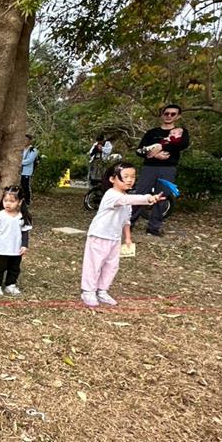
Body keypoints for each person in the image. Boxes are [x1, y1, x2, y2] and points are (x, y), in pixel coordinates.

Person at [81, 162, 164, 307]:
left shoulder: (126, 198)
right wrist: (148, 198)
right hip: (99, 235)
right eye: (125, 176)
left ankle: (102, 291)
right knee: (94, 264)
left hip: (114, 238)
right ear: (113, 179)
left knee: (112, 266)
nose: (130, 180)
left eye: (133, 176)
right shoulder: (111, 195)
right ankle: (88, 292)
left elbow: (126, 220)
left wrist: (128, 238)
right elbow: (126, 200)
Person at [131, 103, 189, 237]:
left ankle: (154, 227)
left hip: (168, 168)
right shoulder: (152, 133)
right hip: (149, 167)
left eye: (173, 114)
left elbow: (182, 145)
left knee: (162, 196)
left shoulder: (181, 132)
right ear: (162, 115)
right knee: (140, 194)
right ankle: (129, 223)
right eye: (166, 113)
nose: (169, 116)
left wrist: (163, 148)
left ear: (178, 116)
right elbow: (139, 150)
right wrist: (155, 155)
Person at [0, 185, 32, 296]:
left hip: (16, 249)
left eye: (12, 201)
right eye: (5, 200)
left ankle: (10, 285)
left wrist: (24, 245)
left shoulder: (22, 217)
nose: (8, 204)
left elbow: (25, 233)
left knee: (14, 268)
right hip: (1, 249)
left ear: (20, 202)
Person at [20, 135, 40, 206]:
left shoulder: (33, 150)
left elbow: (29, 160)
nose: (24, 141)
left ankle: (27, 201)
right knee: (20, 186)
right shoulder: (22, 149)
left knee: (25, 186)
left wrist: (19, 162)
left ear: (30, 141)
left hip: (26, 172)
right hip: (20, 171)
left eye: (26, 140)